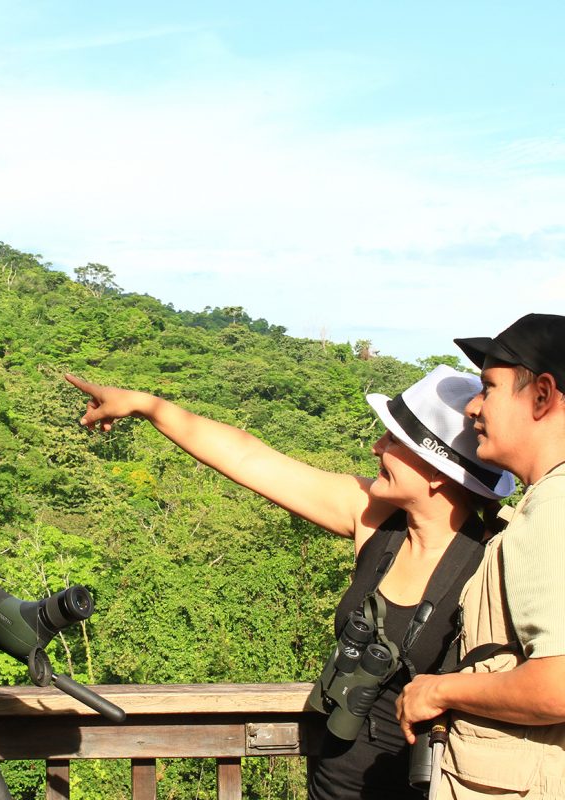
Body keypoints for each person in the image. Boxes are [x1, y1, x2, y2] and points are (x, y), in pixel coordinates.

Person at [66, 365, 514, 800]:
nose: (377, 447)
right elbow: (247, 456)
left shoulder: (493, 562)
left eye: (393, 440)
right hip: (328, 782)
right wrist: (149, 407)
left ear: (436, 471)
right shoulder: (377, 522)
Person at [396, 314, 565, 800]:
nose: (472, 407)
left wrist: (439, 690)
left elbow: (556, 682)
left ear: (542, 396)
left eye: (489, 388)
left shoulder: (553, 508)